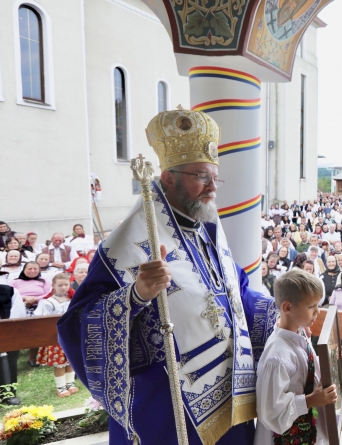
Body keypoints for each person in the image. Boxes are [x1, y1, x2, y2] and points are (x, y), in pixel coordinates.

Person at [58, 108, 278, 445]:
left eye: (215, 178)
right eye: (202, 176)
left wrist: (279, 314)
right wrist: (136, 295)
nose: (212, 187)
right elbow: (76, 327)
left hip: (230, 392)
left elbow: (236, 291)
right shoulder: (127, 245)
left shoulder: (204, 230)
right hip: (166, 405)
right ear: (168, 178)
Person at [254, 269, 337, 445]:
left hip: (305, 429)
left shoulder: (299, 334)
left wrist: (330, 358)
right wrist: (312, 399)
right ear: (287, 307)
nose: (318, 312)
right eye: (311, 306)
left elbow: (309, 369)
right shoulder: (277, 358)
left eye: (318, 305)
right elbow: (270, 413)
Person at [33, 273, 77, 398]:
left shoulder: (72, 300)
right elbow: (42, 320)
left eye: (66, 285)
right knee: (60, 362)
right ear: (53, 286)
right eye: (60, 285)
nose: (63, 287)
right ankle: (61, 387)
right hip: (56, 336)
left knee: (70, 360)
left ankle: (70, 383)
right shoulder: (48, 302)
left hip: (71, 334)